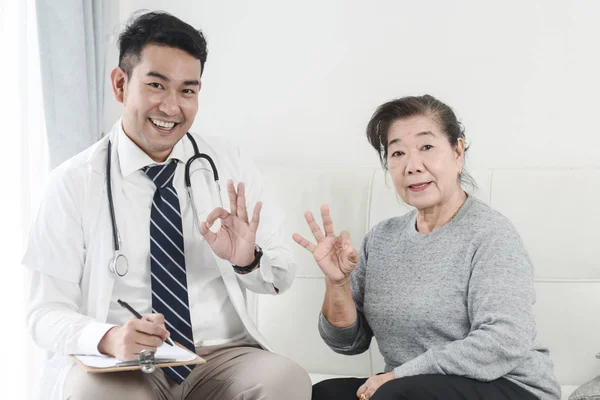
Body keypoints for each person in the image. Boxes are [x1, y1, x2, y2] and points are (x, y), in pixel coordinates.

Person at [23, 11, 311, 400]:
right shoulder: (72, 184)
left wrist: (248, 259)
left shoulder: (230, 165)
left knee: (286, 380)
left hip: (222, 355)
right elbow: (44, 315)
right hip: (124, 363)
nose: (172, 107)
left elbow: (281, 275)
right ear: (120, 84)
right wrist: (108, 337)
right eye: (157, 85)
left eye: (187, 91)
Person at [293, 94, 561, 400]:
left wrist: (400, 375)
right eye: (397, 153)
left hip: (510, 386)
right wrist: (337, 283)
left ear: (457, 152)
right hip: (415, 386)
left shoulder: (491, 235)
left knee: (395, 395)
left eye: (427, 147)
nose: (412, 166)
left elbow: (504, 341)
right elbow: (347, 343)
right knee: (323, 395)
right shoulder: (381, 239)